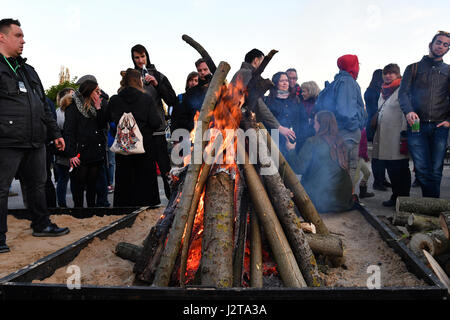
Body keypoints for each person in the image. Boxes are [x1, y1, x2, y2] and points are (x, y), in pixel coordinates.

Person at [0, 19, 69, 253]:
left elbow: (43, 105)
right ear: (3, 37)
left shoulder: (28, 71)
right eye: (18, 35)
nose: (23, 40)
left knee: (38, 185)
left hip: (36, 140)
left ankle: (42, 225)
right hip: (6, 140)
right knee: (1, 189)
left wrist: (55, 132)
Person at [399, 31, 450, 198]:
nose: (441, 46)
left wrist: (449, 121)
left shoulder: (448, 71)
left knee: (436, 170)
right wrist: (409, 111)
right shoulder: (413, 68)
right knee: (421, 170)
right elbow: (403, 93)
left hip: (440, 125)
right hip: (416, 125)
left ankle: (431, 209)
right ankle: (433, 207)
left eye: (445, 45)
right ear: (431, 44)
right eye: (439, 42)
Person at [106, 69, 162, 207]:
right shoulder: (146, 98)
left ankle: (124, 204)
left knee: (125, 177)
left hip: (124, 144)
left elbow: (107, 119)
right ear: (139, 81)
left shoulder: (115, 99)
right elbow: (155, 122)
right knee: (144, 178)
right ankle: (146, 203)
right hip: (144, 145)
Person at [315, 54, 367, 196]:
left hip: (340, 131)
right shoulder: (347, 82)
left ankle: (339, 197)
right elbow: (347, 111)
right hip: (348, 132)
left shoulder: (337, 81)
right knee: (348, 167)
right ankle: (345, 198)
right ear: (353, 66)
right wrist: (354, 125)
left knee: (339, 165)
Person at [285, 111, 354, 213]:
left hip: (320, 203)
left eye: (315, 122)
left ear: (321, 125)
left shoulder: (312, 142)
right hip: (343, 202)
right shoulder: (341, 142)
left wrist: (291, 150)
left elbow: (299, 168)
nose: (313, 125)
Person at [131, 44, 176, 200]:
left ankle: (172, 201)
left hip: (157, 131)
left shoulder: (158, 75)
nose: (140, 60)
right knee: (144, 172)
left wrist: (157, 85)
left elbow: (172, 99)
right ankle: (148, 204)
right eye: (137, 57)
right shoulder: (130, 77)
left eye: (142, 56)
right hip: (139, 133)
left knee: (165, 169)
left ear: (147, 56)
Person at [230, 49, 296, 142]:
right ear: (256, 60)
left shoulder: (242, 73)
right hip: (242, 124)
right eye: (262, 60)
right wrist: (278, 126)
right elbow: (258, 103)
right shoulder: (248, 74)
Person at [63, 80, 107, 207]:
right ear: (89, 92)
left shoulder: (97, 106)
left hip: (95, 151)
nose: (100, 94)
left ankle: (91, 212)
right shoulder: (73, 107)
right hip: (79, 153)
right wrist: (71, 154)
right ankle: (79, 212)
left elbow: (102, 126)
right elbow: (68, 132)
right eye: (97, 91)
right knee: (79, 187)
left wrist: (99, 108)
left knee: (93, 186)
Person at [373, 63, 411, 206]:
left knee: (401, 169)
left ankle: (404, 200)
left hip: (397, 136)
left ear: (398, 75)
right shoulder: (383, 92)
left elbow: (405, 112)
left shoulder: (403, 90)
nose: (388, 76)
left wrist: (404, 134)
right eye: (386, 73)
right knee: (391, 169)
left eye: (392, 73)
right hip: (384, 137)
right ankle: (395, 197)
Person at [264, 72, 313, 164]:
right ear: (276, 83)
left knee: (290, 169)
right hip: (274, 138)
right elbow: (266, 120)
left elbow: (303, 120)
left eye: (286, 80)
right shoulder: (269, 100)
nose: (285, 83)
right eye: (281, 81)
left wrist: (299, 138)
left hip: (292, 140)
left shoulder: (295, 99)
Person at [364, 69, 391, 191]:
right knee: (378, 155)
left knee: (380, 154)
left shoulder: (369, 91)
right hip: (377, 125)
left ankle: (381, 179)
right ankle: (378, 181)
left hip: (372, 124)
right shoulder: (376, 92)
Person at [55, 87, 75, 207]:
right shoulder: (65, 112)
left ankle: (62, 204)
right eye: (72, 94)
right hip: (68, 149)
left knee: (63, 179)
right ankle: (66, 204)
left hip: (61, 150)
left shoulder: (57, 112)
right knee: (67, 178)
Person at [354, 128, 375, 199]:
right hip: (357, 157)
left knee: (367, 173)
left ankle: (363, 193)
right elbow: (363, 147)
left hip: (359, 156)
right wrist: (365, 156)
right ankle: (350, 197)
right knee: (355, 178)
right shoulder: (362, 131)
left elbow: (363, 146)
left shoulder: (360, 130)